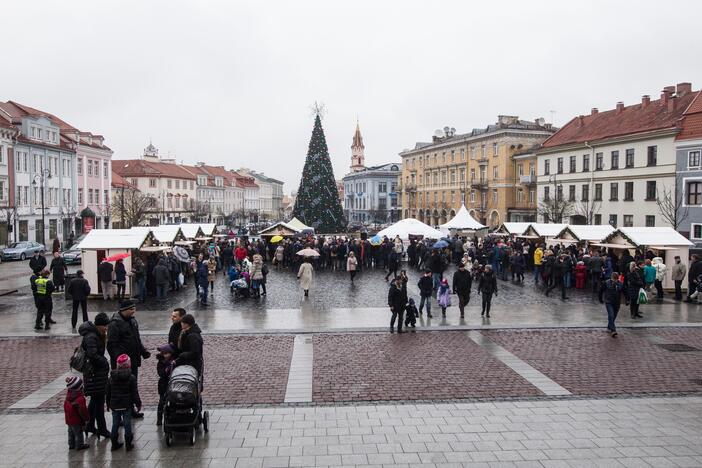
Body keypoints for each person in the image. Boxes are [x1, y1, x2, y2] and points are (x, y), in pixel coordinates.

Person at [107, 300, 150, 418]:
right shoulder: (114, 324)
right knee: (120, 389)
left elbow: (136, 339)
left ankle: (130, 411)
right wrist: (120, 361)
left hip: (133, 361)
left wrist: (143, 351)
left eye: (134, 309)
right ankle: (119, 414)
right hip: (121, 364)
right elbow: (111, 345)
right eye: (131, 309)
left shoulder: (132, 321)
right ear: (123, 310)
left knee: (132, 386)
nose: (133, 311)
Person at [79, 312, 111, 440]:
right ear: (98, 325)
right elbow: (92, 355)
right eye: (105, 326)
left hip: (96, 374)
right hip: (94, 374)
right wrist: (104, 362)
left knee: (95, 401)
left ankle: (90, 425)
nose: (106, 328)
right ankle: (102, 428)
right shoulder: (92, 337)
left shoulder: (95, 335)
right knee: (98, 402)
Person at [107, 354, 141, 451]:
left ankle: (114, 444)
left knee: (115, 424)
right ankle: (128, 444)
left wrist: (108, 403)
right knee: (127, 424)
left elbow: (108, 392)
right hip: (126, 405)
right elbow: (135, 393)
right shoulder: (131, 377)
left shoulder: (111, 378)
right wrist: (138, 404)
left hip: (115, 405)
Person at [64, 376, 89, 451]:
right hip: (76, 420)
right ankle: (80, 445)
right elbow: (83, 410)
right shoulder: (80, 399)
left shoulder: (68, 395)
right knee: (79, 432)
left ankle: (71, 444)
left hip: (68, 419)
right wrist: (86, 419)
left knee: (70, 432)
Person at [155, 344, 175, 426]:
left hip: (171, 384)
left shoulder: (173, 361)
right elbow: (161, 374)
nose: (165, 355)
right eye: (164, 354)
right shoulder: (161, 363)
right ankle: (159, 418)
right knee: (162, 401)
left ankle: (171, 417)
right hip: (163, 385)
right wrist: (168, 368)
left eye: (167, 353)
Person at [601, 272, 623, 338]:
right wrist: (601, 299)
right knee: (611, 315)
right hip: (609, 301)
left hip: (617, 302)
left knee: (614, 316)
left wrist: (627, 299)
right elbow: (601, 291)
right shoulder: (606, 283)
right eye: (614, 279)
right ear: (611, 278)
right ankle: (613, 330)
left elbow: (624, 291)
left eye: (616, 279)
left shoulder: (620, 283)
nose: (615, 281)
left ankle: (609, 326)